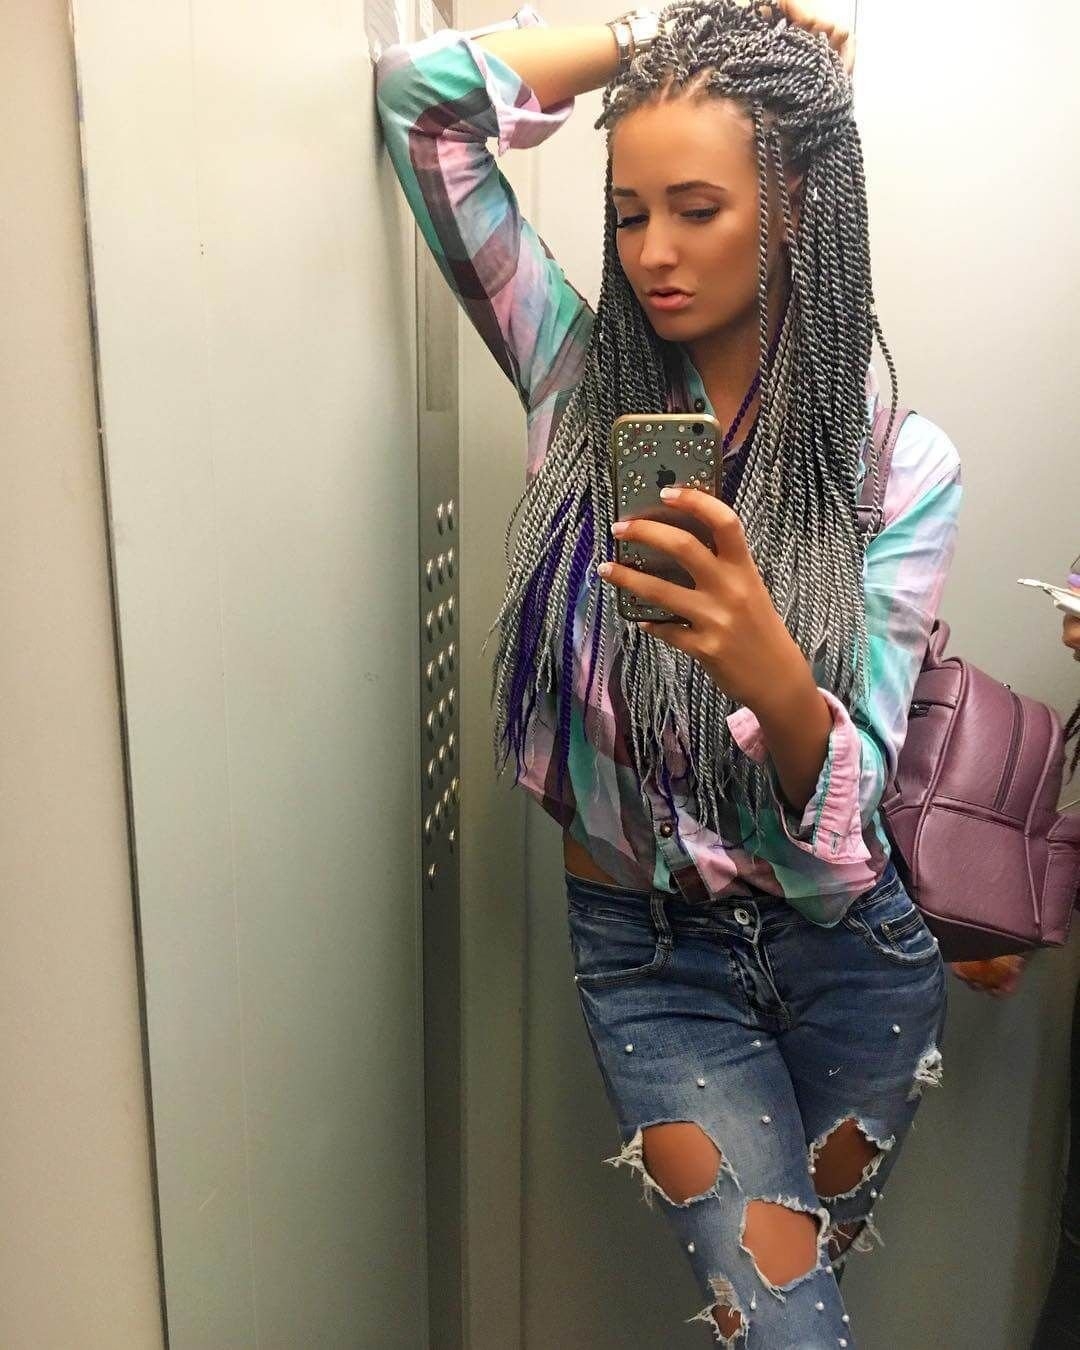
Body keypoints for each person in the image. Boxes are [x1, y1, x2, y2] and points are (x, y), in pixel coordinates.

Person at [376, 3, 962, 1343]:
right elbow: (422, 107)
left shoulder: (897, 469)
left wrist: (768, 666)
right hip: (648, 956)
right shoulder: (573, 375)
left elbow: (853, 816)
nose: (652, 252)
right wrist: (660, 26)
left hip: (852, 964)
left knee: (791, 1312)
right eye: (629, 211)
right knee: (789, 1325)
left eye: (697, 208)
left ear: (797, 202)